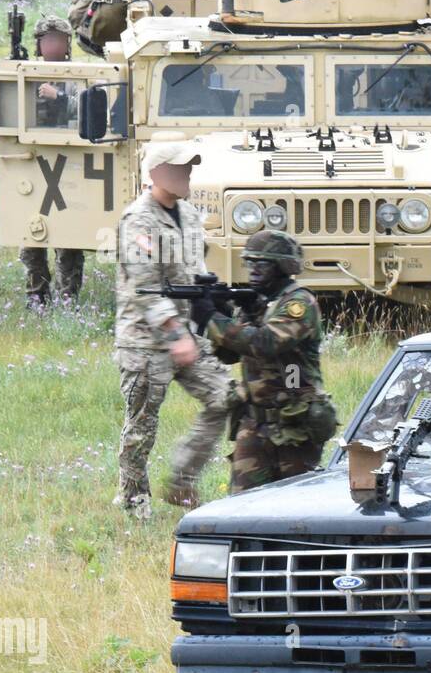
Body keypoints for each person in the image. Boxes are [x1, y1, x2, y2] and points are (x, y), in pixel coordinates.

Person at [113, 140, 231, 518]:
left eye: (189, 168)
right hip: (146, 343)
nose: (187, 175)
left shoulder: (190, 215)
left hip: (188, 337)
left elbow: (196, 271)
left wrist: (217, 305)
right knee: (141, 426)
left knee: (225, 397)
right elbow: (144, 288)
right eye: (179, 169)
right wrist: (175, 334)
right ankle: (132, 503)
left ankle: (182, 480)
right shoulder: (139, 221)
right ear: (155, 173)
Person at [196, 230, 336, 493]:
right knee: (240, 505)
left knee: (296, 506)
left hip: (294, 422)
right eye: (249, 263)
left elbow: (265, 343)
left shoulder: (299, 303)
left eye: (262, 263)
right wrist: (224, 313)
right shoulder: (257, 303)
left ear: (283, 266)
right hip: (254, 422)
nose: (253, 270)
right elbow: (229, 355)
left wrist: (212, 318)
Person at [20, 15, 85, 308]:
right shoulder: (26, 74)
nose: (52, 45)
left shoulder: (76, 76)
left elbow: (88, 110)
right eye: (46, 40)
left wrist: (58, 96)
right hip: (32, 163)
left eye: (57, 40)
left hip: (68, 162)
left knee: (68, 234)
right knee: (30, 231)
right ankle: (37, 293)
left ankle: (68, 295)